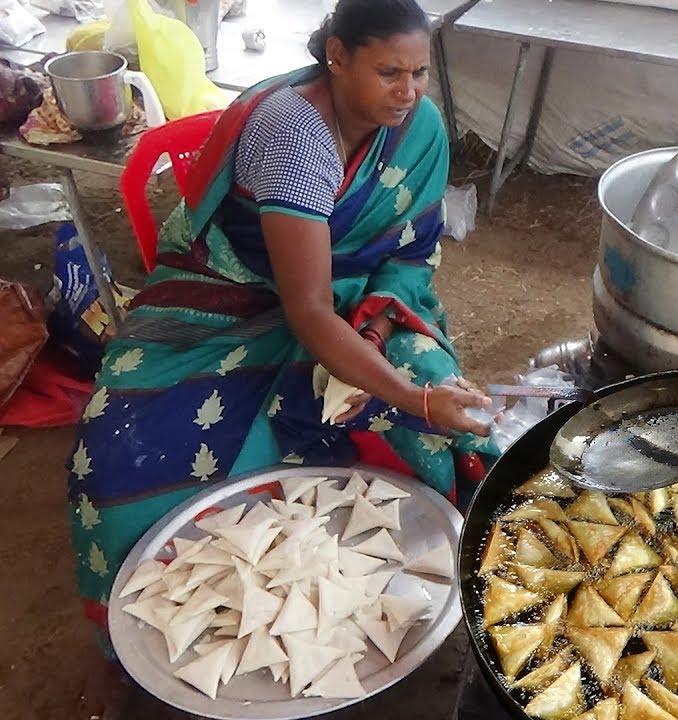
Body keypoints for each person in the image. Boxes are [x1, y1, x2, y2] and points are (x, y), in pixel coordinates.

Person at [67, 0, 491, 712]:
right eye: (389, 71)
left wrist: (387, 336)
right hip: (227, 304)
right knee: (119, 460)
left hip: (358, 300)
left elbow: (409, 256)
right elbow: (307, 311)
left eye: (419, 72)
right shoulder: (295, 134)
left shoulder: (416, 129)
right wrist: (409, 397)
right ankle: (160, 635)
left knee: (435, 400)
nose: (409, 91)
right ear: (336, 56)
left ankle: (404, 572)